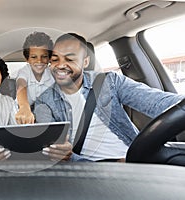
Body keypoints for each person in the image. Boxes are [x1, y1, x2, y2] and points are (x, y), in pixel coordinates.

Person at [34, 33, 185, 162]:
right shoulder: (44, 101)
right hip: (87, 169)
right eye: (55, 59)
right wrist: (62, 152)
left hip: (136, 159)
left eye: (70, 59)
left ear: (85, 62)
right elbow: (52, 145)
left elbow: (159, 103)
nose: (60, 65)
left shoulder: (109, 81)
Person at [15, 32, 55, 124]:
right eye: (34, 57)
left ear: (49, 58)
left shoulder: (52, 74)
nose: (39, 61)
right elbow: (21, 85)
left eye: (44, 56)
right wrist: (24, 107)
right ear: (27, 59)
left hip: (46, 115)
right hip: (23, 112)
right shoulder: (24, 71)